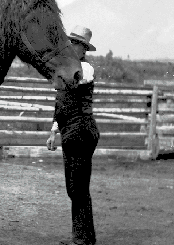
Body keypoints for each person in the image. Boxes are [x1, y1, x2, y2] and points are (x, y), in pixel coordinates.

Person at [46, 25, 100, 245]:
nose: (70, 46)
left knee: (77, 188)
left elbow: (74, 83)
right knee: (74, 187)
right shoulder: (69, 69)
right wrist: (53, 132)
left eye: (75, 43)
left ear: (83, 48)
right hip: (71, 132)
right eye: (70, 42)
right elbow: (61, 104)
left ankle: (82, 239)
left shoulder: (84, 69)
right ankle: (84, 237)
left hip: (81, 131)